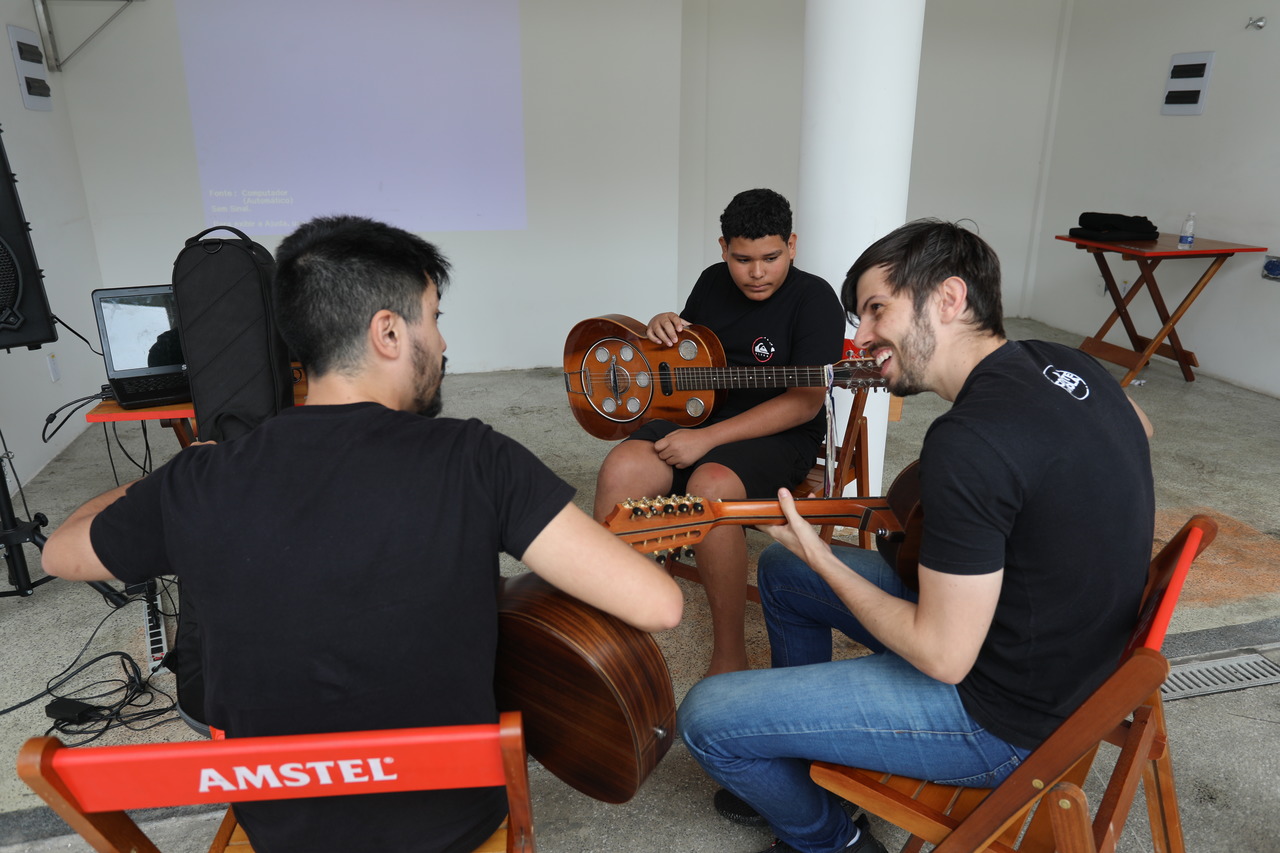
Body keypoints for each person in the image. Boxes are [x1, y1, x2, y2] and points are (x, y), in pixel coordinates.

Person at [42, 215, 683, 853]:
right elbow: (659, 603)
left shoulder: (200, 480)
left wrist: (180, 473)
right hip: (452, 829)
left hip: (281, 833)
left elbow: (62, 550)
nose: (442, 341)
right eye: (433, 317)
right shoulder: (476, 459)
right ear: (388, 331)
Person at [677, 219, 1155, 853]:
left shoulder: (969, 442)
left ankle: (832, 840)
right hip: (1073, 661)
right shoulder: (1061, 363)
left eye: (877, 310)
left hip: (1000, 721)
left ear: (950, 299)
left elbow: (943, 656)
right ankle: (802, 759)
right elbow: (1140, 426)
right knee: (783, 575)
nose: (862, 336)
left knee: (707, 718)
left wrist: (824, 555)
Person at [592, 188, 845, 676]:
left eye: (771, 258)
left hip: (779, 432)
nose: (756, 272)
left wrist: (708, 440)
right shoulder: (712, 282)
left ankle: (729, 652)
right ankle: (613, 622)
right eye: (741, 258)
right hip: (700, 415)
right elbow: (690, 350)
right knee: (622, 466)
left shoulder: (814, 299)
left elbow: (804, 401)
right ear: (722, 248)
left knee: (710, 485)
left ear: (792, 245)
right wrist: (663, 327)